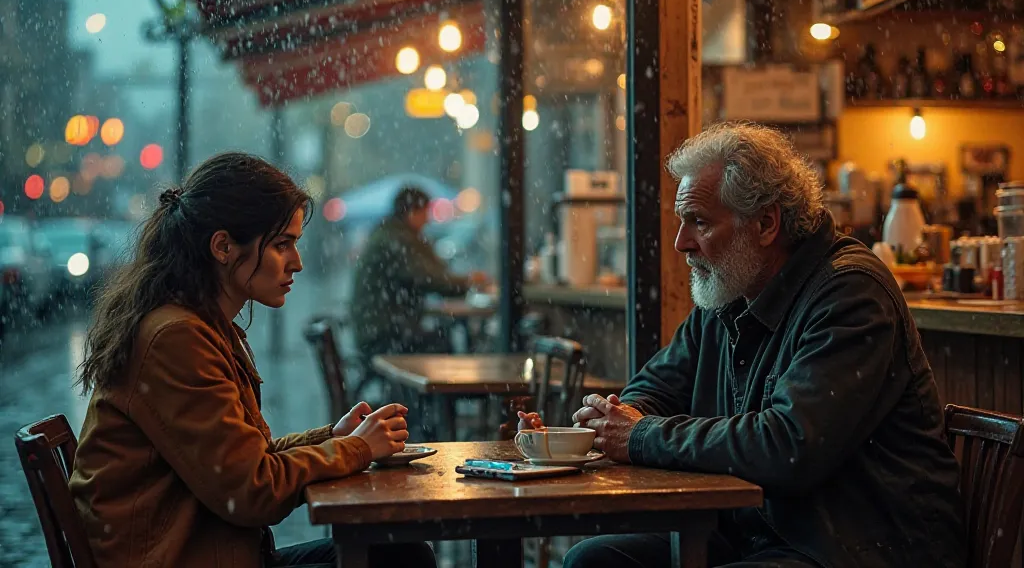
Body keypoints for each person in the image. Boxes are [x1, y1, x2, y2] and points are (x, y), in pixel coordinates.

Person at [520, 122, 966, 568]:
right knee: (595, 562)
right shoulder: (730, 291)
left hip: (861, 547)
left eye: (700, 222)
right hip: (763, 536)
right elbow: (655, 388)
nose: (681, 243)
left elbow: (787, 446)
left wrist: (640, 435)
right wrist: (614, 419)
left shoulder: (851, 294)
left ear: (766, 223)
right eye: (682, 222)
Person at [70, 153, 435, 568]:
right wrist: (353, 448)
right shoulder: (177, 337)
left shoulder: (198, 324)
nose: (296, 262)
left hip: (209, 553)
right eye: (282, 244)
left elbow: (243, 464)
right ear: (223, 246)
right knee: (401, 560)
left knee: (399, 553)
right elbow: (250, 490)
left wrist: (332, 436)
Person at [350, 185, 488, 355]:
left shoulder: (392, 234)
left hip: (377, 330)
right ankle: (440, 382)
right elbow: (429, 279)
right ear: (413, 212)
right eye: (425, 212)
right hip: (385, 335)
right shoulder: (399, 239)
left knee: (441, 337)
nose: (428, 219)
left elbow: (431, 273)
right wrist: (469, 282)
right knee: (441, 344)